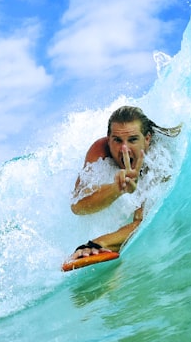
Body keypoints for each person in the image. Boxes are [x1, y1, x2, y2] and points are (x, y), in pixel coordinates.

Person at [67, 105, 181, 262]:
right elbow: (78, 206)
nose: (124, 149)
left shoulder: (160, 159)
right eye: (117, 140)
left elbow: (142, 223)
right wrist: (117, 189)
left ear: (147, 139)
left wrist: (97, 244)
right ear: (109, 139)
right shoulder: (100, 150)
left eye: (133, 139)